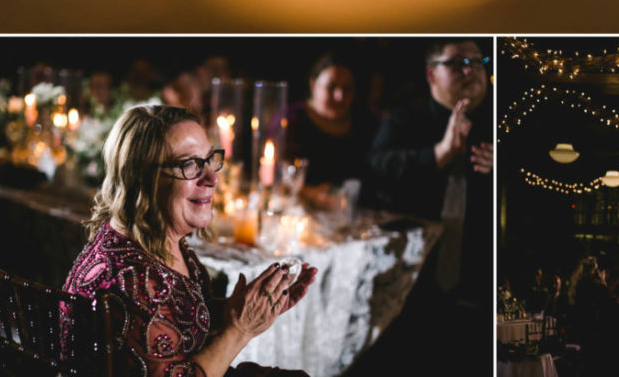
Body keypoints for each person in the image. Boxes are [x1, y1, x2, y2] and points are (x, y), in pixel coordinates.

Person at [61, 104, 315, 374]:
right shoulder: (131, 281)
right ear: (143, 178)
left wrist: (242, 308)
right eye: (189, 164)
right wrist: (240, 328)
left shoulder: (158, 239)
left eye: (208, 160)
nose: (213, 178)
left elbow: (179, 322)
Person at [369, 42, 492, 372]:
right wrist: (439, 154)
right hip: (408, 286)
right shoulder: (403, 120)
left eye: (477, 61)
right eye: (457, 62)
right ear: (431, 74)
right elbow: (376, 172)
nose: (470, 69)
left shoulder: (499, 126)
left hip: (479, 288)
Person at [287, 49, 373, 197]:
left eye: (347, 89)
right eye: (331, 87)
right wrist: (311, 195)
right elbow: (277, 175)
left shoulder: (364, 121)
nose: (340, 96)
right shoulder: (292, 120)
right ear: (313, 84)